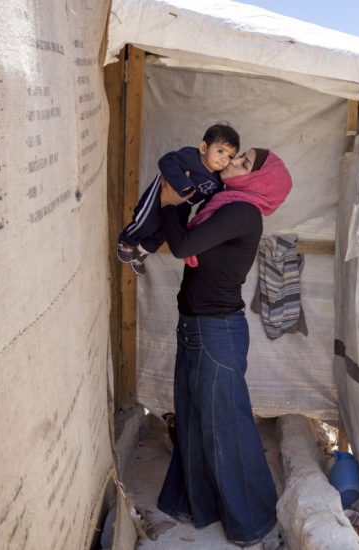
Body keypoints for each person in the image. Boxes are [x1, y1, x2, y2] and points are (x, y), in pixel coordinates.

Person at [156, 148, 293, 548]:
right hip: (199, 327)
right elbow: (188, 241)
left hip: (215, 333)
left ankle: (252, 522)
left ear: (259, 181)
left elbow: (182, 247)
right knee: (196, 419)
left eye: (244, 163)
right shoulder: (223, 203)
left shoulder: (242, 213)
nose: (232, 162)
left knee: (226, 427)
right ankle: (196, 504)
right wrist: (177, 206)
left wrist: (169, 205)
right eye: (237, 156)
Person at [116, 124, 240, 275]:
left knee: (168, 230)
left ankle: (141, 252)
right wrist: (183, 184)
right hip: (162, 192)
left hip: (183, 205)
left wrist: (199, 218)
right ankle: (127, 241)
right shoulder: (190, 157)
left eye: (229, 156)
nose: (223, 159)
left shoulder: (218, 181)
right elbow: (166, 161)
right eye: (220, 151)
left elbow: (210, 202)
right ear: (203, 148)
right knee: (147, 222)